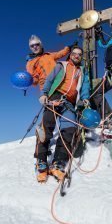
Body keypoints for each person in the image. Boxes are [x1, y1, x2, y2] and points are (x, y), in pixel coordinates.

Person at [36, 46, 90, 183]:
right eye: (74, 53)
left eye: (79, 54)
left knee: (69, 130)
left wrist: (85, 98)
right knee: (46, 128)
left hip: (70, 103)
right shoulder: (62, 65)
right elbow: (49, 79)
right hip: (55, 97)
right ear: (70, 55)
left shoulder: (83, 71)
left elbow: (85, 86)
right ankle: (41, 162)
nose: (76, 56)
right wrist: (44, 94)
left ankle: (58, 163)